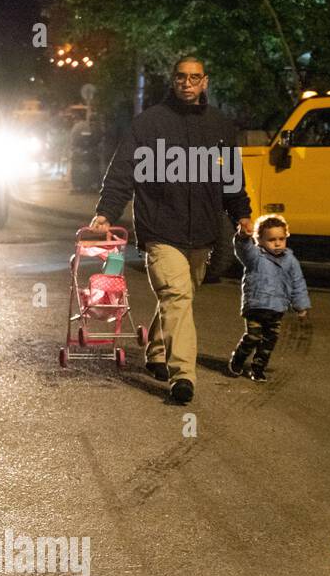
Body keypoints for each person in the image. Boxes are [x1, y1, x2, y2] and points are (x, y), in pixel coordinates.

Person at [90, 54, 253, 404]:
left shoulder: (221, 128)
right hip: (160, 230)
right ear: (173, 80)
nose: (188, 83)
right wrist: (106, 212)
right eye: (181, 77)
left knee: (180, 296)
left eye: (195, 77)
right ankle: (183, 376)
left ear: (205, 81)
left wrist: (242, 213)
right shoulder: (148, 124)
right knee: (177, 296)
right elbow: (122, 171)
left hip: (202, 232)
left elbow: (232, 179)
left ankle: (155, 352)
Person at [227, 214, 310, 381]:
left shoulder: (290, 261)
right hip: (257, 306)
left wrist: (301, 305)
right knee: (252, 337)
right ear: (260, 240)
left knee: (269, 341)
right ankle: (238, 359)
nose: (277, 243)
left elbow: (297, 282)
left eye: (281, 238)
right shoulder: (256, 257)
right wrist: (243, 236)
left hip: (277, 309)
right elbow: (243, 248)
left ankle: (258, 368)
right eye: (272, 239)